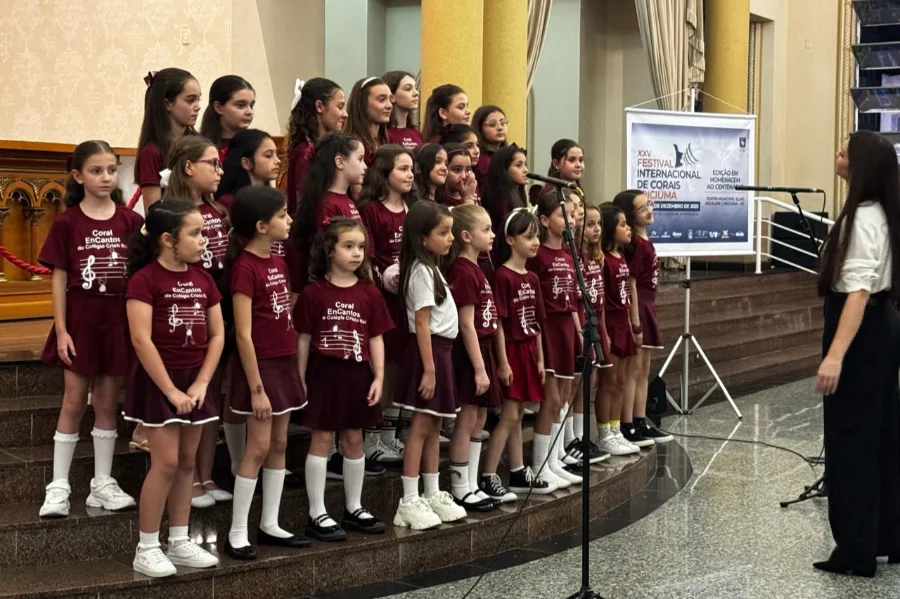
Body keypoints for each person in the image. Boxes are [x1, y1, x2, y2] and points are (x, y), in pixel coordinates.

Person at [37, 141, 143, 518]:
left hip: (117, 321)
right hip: (80, 320)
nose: (105, 177)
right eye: (96, 171)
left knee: (106, 402)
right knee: (72, 400)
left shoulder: (131, 222)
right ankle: (59, 486)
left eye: (112, 170)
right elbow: (59, 278)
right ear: (78, 175)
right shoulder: (67, 222)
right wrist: (62, 330)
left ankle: (102, 483)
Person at [813, 131, 900, 577]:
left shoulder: (864, 218)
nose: (838, 154)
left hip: (861, 337)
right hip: (882, 334)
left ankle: (855, 548)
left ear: (861, 165)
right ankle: (885, 536)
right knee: (881, 435)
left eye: (845, 150)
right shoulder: (882, 212)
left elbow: (859, 291)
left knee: (852, 440)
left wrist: (835, 356)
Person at [123, 199, 223, 577]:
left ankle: (179, 541)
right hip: (159, 382)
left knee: (186, 462)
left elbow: (217, 336)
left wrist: (200, 383)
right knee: (164, 463)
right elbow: (141, 340)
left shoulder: (204, 279)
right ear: (167, 239)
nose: (204, 240)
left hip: (194, 383)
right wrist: (170, 391)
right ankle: (146, 547)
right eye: (195, 233)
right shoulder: (144, 280)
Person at [224, 186, 308, 560]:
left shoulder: (278, 262)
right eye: (282, 216)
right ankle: (237, 530)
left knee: (279, 444)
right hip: (260, 369)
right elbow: (243, 333)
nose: (289, 221)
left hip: (283, 361)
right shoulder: (244, 267)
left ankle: (270, 522)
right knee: (257, 447)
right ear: (261, 225)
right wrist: (256, 388)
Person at [297, 218, 393, 541]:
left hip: (358, 374)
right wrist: (300, 378)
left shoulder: (369, 292)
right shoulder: (314, 292)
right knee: (322, 440)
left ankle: (354, 506)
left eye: (361, 247)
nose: (356, 253)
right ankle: (316, 511)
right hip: (324, 374)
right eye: (348, 246)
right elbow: (304, 339)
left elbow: (377, 337)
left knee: (354, 438)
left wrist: (379, 375)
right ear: (329, 250)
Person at [162, 136, 234, 507]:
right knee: (184, 401)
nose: (219, 171)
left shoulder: (219, 211)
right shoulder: (170, 211)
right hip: (181, 312)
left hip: (214, 308)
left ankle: (205, 477)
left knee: (209, 400)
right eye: (212, 163)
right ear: (189, 167)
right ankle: (185, 483)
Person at [393, 201, 467, 529]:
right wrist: (430, 369)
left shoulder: (432, 267)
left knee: (435, 424)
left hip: (442, 351)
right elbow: (421, 323)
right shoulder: (421, 271)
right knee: (421, 425)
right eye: (443, 232)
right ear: (423, 238)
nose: (450, 238)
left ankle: (433, 490)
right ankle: (409, 499)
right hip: (430, 353)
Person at [479, 209, 555, 498]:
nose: (535, 242)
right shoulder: (502, 276)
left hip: (527, 351)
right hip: (509, 350)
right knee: (510, 414)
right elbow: (498, 322)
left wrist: (540, 358)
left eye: (537, 236)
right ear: (510, 240)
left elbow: (535, 323)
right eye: (528, 237)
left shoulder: (532, 278)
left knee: (518, 414)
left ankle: (517, 472)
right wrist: (503, 361)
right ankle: (488, 475)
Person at [359, 145, 417, 462]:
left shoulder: (413, 208)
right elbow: (368, 258)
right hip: (384, 297)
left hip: (409, 298)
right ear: (384, 173)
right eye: (402, 169)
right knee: (382, 363)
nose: (410, 174)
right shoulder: (372, 210)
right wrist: (385, 278)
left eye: (411, 169)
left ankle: (391, 434)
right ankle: (373, 437)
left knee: (400, 364)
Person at [446, 204, 502, 511]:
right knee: (467, 418)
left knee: (479, 417)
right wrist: (480, 368)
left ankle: (471, 482)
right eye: (486, 230)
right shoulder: (462, 271)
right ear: (466, 236)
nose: (493, 235)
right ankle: (459, 486)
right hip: (472, 352)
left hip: (485, 349)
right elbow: (466, 323)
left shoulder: (477, 268)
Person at [527, 193, 585, 489]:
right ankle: (539, 466)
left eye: (572, 216)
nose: (570, 220)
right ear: (545, 220)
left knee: (562, 397)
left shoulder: (567, 255)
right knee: (550, 399)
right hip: (548, 327)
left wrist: (578, 332)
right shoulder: (538, 257)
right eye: (563, 215)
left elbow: (574, 300)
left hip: (566, 328)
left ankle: (552, 460)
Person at [614, 190, 672, 446]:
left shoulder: (644, 241)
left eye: (650, 204)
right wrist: (635, 320)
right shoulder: (636, 245)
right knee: (633, 370)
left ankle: (640, 419)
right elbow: (632, 283)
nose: (649, 210)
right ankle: (628, 423)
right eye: (642, 208)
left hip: (648, 307)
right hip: (639, 309)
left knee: (643, 370)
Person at [290, 132, 366, 292]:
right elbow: (327, 255)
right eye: (360, 159)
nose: (365, 166)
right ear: (339, 162)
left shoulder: (345, 199)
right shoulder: (327, 205)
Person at [596, 204, 641, 457]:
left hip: (623, 321)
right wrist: (606, 333)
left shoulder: (621, 257)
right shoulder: (603, 260)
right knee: (609, 382)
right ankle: (604, 433)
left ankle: (615, 429)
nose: (628, 229)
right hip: (610, 323)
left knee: (622, 380)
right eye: (622, 224)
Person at [135, 68, 201, 210]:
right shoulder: (152, 152)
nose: (198, 107)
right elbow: (153, 212)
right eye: (190, 100)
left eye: (198, 99)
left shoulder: (200, 144)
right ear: (167, 104)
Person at [285, 78, 347, 214]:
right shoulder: (306, 151)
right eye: (340, 107)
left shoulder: (324, 146)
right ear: (320, 107)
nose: (345, 114)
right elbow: (305, 206)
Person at [217, 128, 283, 256]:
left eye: (276, 154)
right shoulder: (227, 203)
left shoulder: (275, 198)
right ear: (246, 163)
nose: (277, 160)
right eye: (268, 155)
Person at [481, 144, 528, 266]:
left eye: (525, 164)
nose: (526, 170)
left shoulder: (518, 195)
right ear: (503, 169)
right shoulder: (498, 199)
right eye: (518, 165)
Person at [199, 75, 255, 157]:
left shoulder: (257, 145)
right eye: (240, 105)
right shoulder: (200, 149)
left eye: (251, 105)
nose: (249, 112)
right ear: (218, 108)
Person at [343, 77, 393, 166]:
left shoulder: (387, 140)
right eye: (381, 100)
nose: (389, 105)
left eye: (390, 99)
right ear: (362, 104)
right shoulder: (351, 144)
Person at [382, 70, 423, 150]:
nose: (416, 93)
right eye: (408, 89)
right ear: (392, 97)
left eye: (416, 88)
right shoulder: (384, 134)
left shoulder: (417, 134)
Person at [471, 105, 508, 185]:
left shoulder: (509, 156)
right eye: (492, 124)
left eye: (503, 123)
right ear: (480, 128)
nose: (500, 128)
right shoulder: (478, 160)